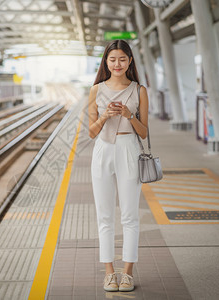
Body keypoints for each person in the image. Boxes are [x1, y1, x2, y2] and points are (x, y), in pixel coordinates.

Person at [88, 40, 149, 292]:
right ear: (106, 62)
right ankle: (109, 272)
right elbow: (91, 133)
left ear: (130, 61)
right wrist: (104, 116)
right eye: (112, 59)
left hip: (129, 149)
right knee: (104, 215)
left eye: (122, 59)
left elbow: (144, 133)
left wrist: (128, 115)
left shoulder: (139, 90)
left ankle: (128, 273)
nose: (117, 64)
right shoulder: (96, 90)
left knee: (129, 215)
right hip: (103, 150)